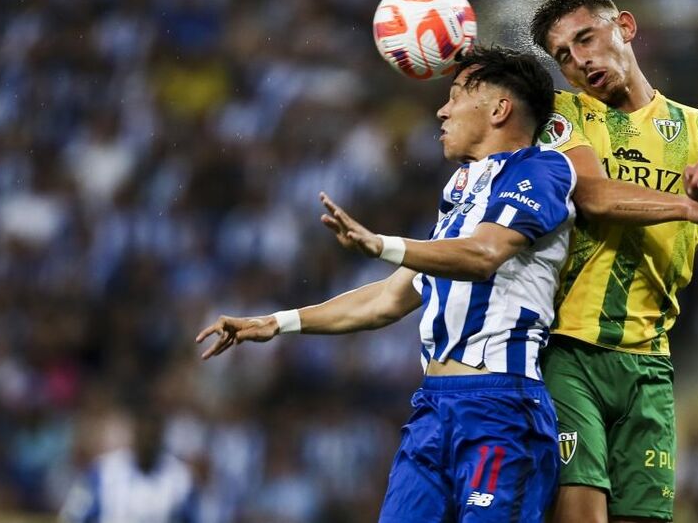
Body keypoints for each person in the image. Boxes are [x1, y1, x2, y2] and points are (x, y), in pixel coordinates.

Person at [197, 46, 573, 522]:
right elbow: (387, 298)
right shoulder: (461, 194)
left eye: (456, 95)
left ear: (500, 110)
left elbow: (484, 256)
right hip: (433, 413)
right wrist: (277, 322)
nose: (442, 109)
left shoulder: (541, 169)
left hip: (501, 407)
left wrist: (382, 244)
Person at [528, 0, 698, 523]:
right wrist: (688, 205)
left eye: (585, 38)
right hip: (570, 353)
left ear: (625, 28)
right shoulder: (564, 115)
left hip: (650, 364)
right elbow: (594, 195)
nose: (579, 61)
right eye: (563, 55)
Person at [60, 411, 199, 523]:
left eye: (152, 436)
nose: (147, 441)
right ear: (134, 435)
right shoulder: (104, 471)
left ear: (161, 437)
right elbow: (73, 515)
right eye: (143, 435)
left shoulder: (179, 476)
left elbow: (192, 517)